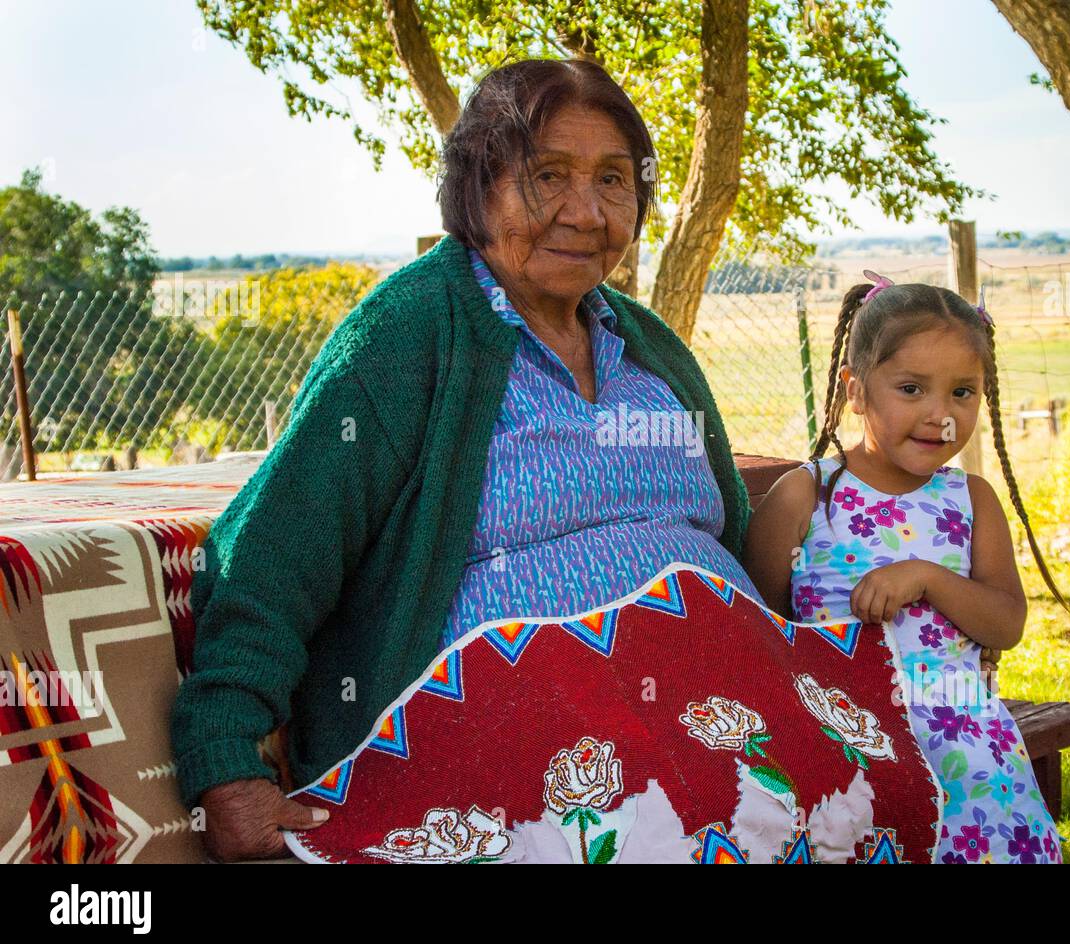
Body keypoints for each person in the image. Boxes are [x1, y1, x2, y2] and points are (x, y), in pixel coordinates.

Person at [171, 58, 761, 862]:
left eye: (614, 180)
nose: (585, 212)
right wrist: (227, 763)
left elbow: (735, 530)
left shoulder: (649, 347)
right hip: (517, 778)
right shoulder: (408, 335)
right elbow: (271, 554)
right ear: (476, 185)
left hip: (725, 736)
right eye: (547, 175)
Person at [742, 271, 1067, 863]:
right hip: (845, 749)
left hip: (968, 746)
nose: (941, 415)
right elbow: (758, 637)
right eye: (912, 389)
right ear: (856, 391)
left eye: (962, 393)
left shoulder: (972, 500)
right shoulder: (805, 498)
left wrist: (930, 577)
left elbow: (1006, 624)